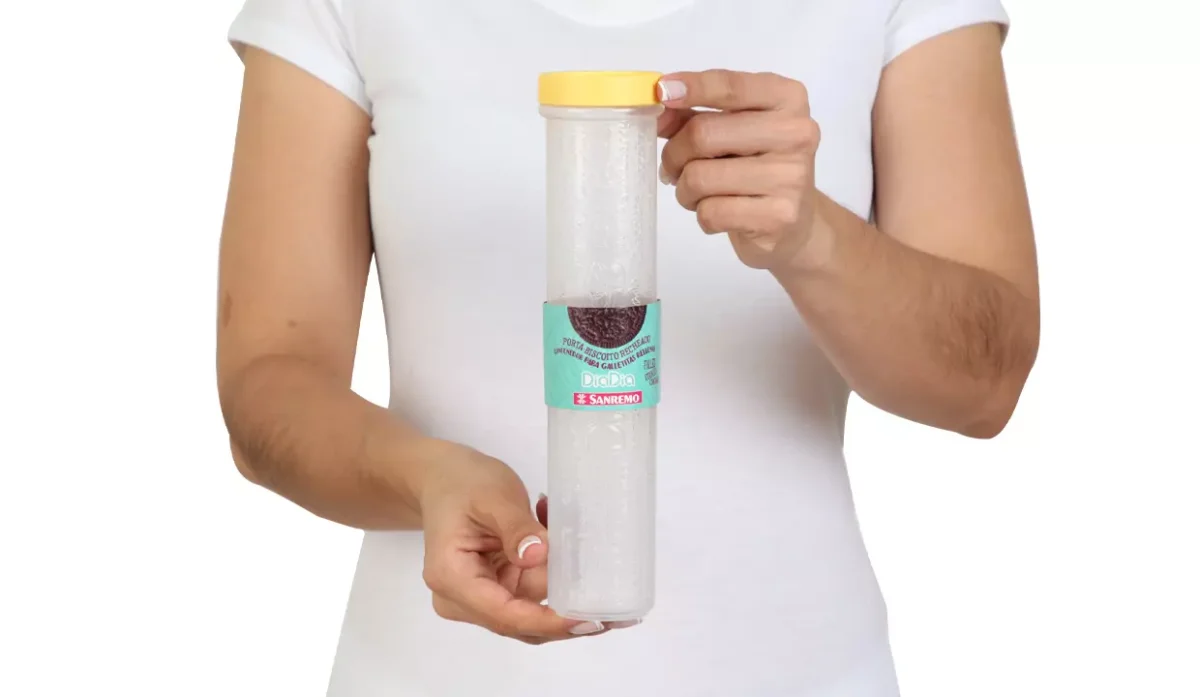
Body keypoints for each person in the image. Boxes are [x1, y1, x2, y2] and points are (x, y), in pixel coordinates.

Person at [215, 0, 1039, 694]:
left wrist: (815, 238)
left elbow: (985, 384)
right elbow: (268, 378)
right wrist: (427, 477)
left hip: (799, 669)